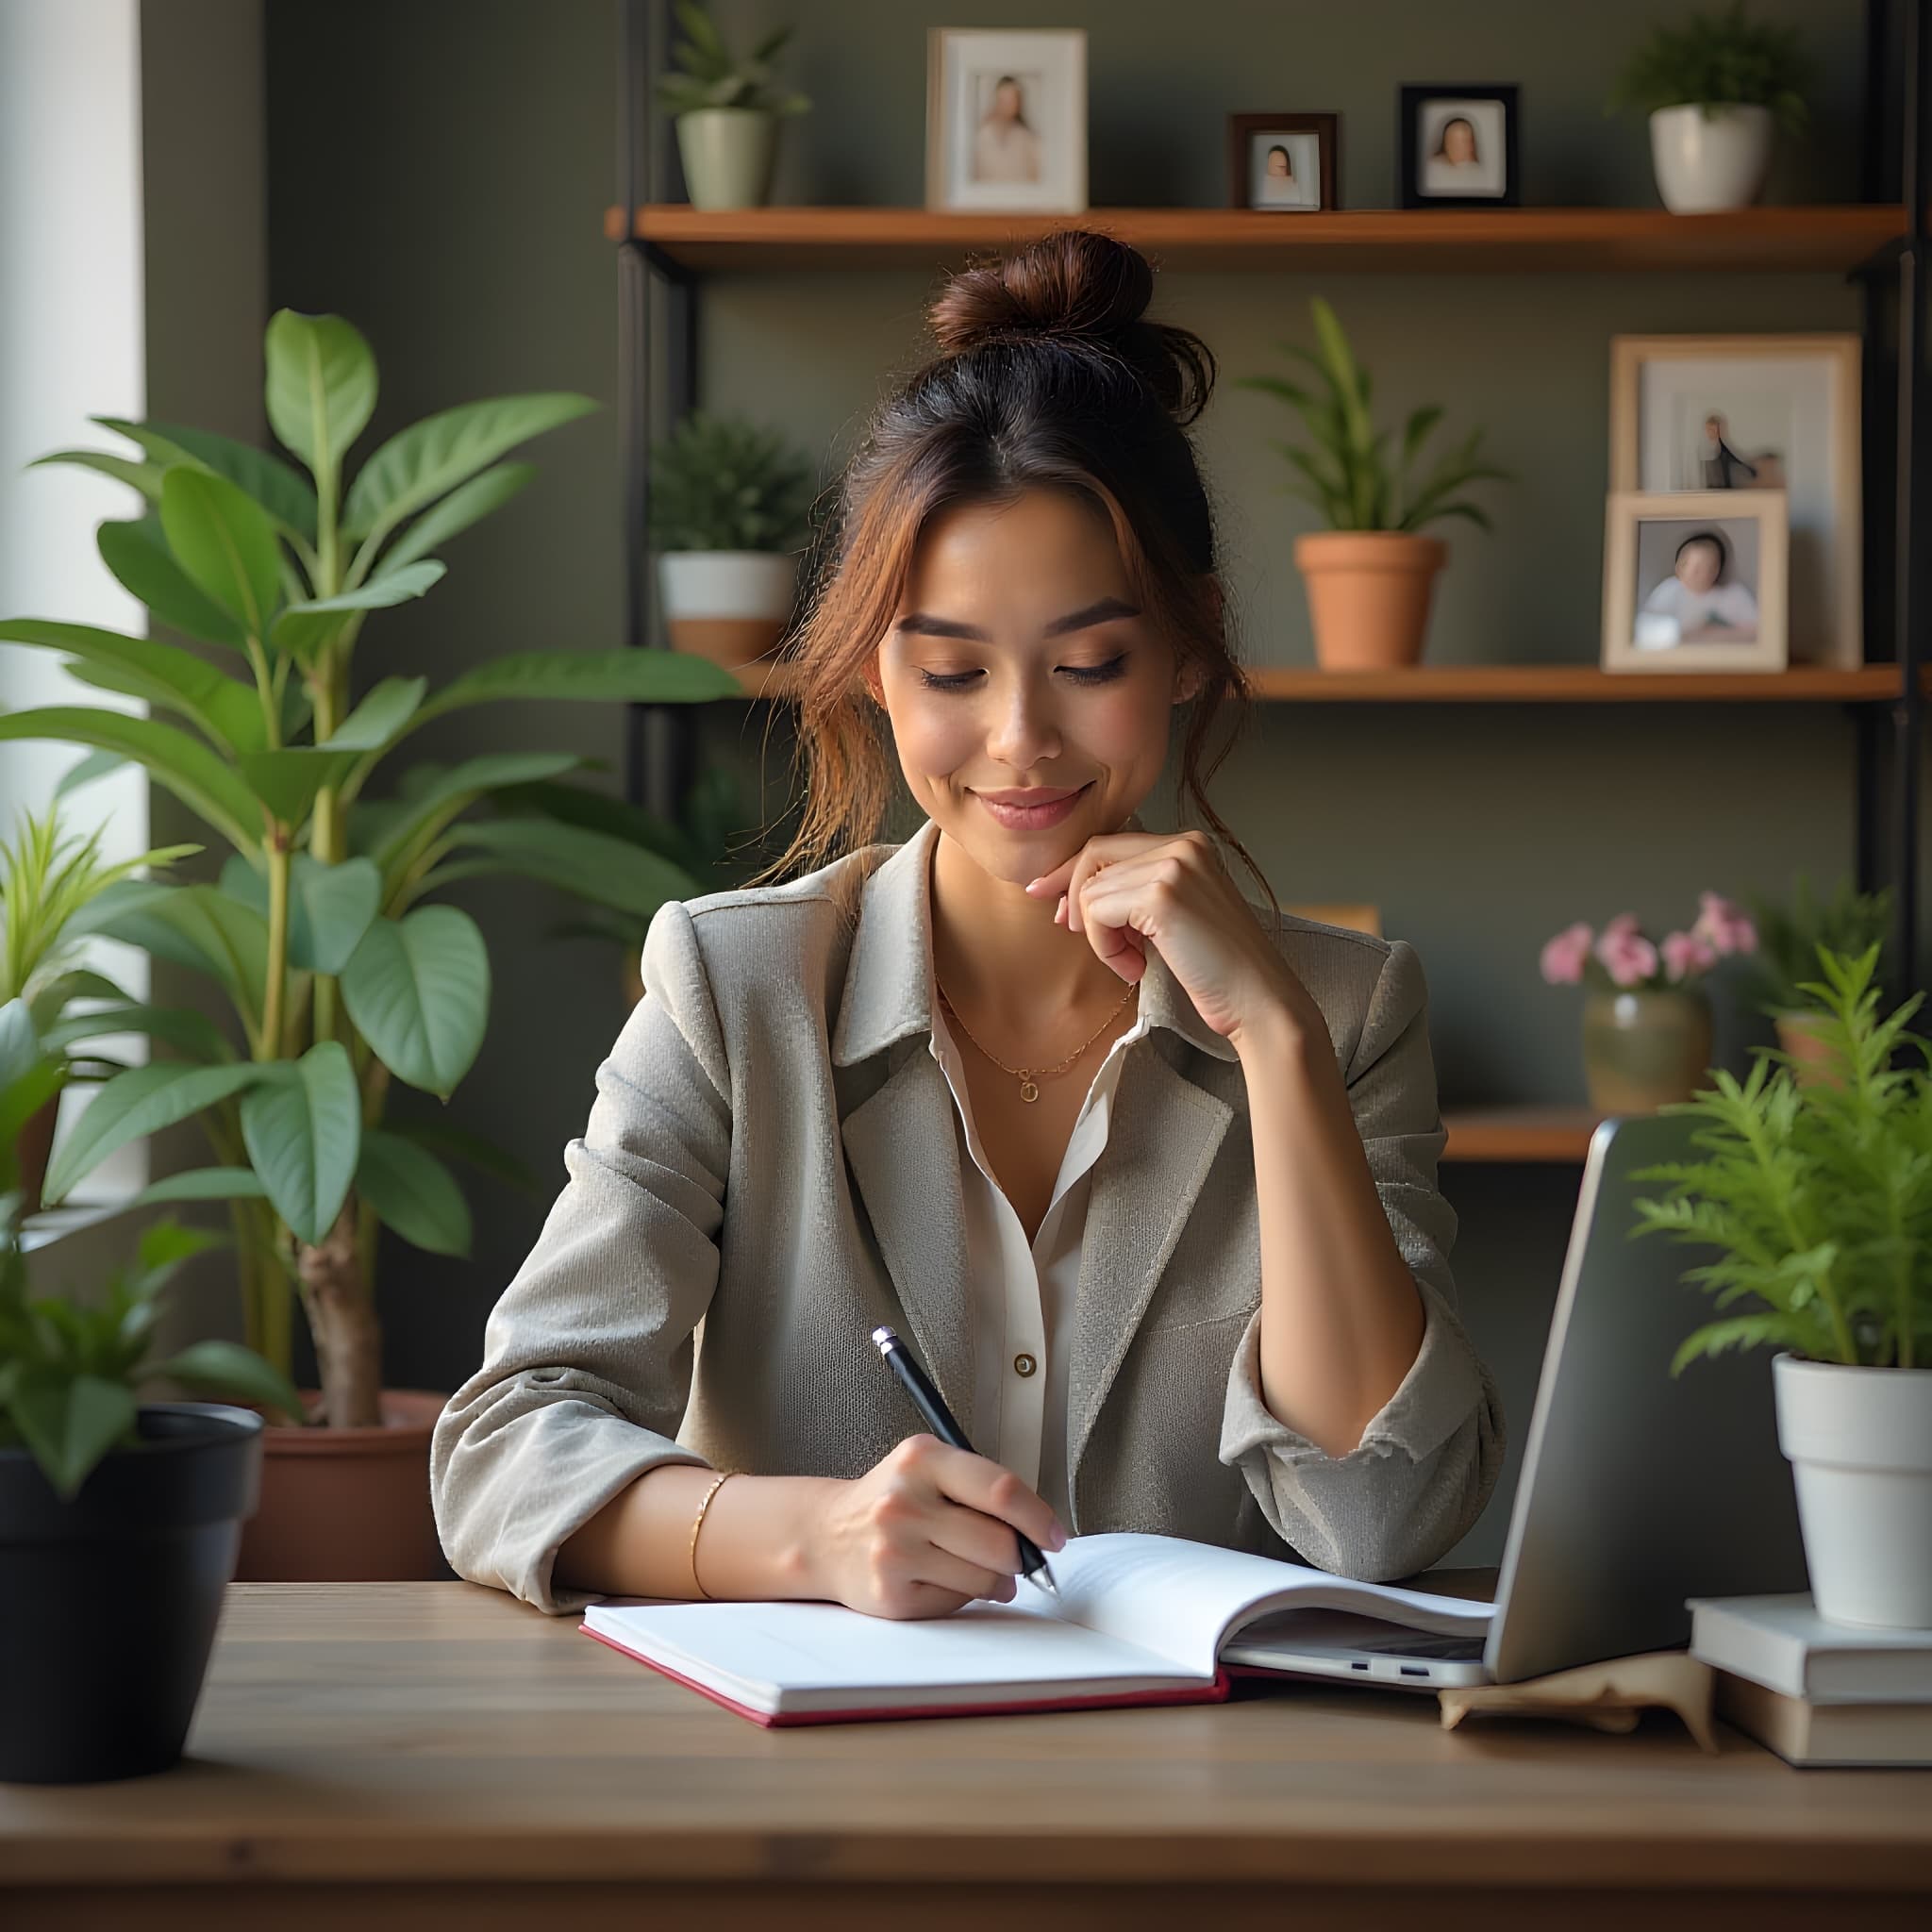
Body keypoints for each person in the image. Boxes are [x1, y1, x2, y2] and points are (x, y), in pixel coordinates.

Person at [429, 230, 1506, 1623]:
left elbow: (1388, 1515)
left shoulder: (1346, 1015)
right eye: (951, 669)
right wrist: (806, 1538)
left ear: (1188, 649)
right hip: (813, 1796)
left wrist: (1279, 1046)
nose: (1018, 742)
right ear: (877, 666)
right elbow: (506, 1445)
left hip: (1206, 1798)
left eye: (1088, 664)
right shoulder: (734, 984)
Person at [1636, 529, 1759, 646]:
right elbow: (1646, 630)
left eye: (1708, 567)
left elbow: (1757, 631)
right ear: (1679, 566)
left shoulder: (1733, 593)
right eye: (1692, 566)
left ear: (1718, 569)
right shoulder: (1669, 590)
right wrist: (1686, 634)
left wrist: (1715, 633)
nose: (1699, 573)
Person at [973, 74, 1041, 184]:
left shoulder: (1028, 138)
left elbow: (1036, 176)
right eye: (1003, 100)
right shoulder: (981, 136)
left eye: (1012, 100)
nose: (1008, 105)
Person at [1697, 411, 1758, 490]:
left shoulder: (1724, 449)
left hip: (1724, 489)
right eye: (1709, 429)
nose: (1711, 432)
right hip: (1711, 489)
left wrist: (1752, 471)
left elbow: (1737, 459)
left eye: (1714, 429)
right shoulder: (1703, 449)